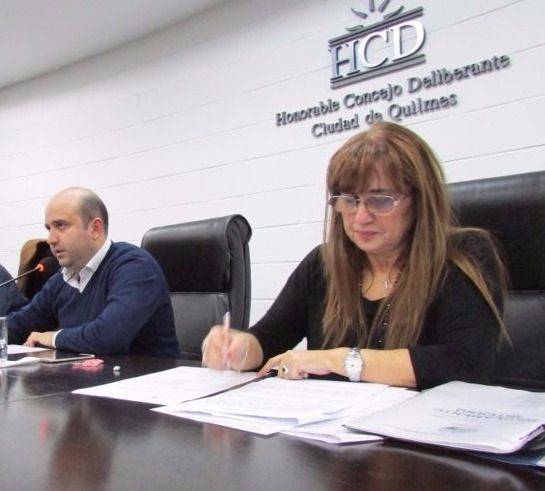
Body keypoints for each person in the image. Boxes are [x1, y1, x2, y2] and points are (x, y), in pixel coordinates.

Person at [202, 122, 506, 390]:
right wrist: (238, 348)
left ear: (420, 200)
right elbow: (268, 339)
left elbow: (465, 364)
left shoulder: (463, 255)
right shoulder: (322, 265)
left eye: (380, 200)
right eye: (348, 200)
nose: (361, 217)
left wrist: (338, 360)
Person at [0, 188, 180, 357]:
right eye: (48, 228)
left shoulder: (134, 267)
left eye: (61, 226)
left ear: (95, 229)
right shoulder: (64, 278)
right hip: (91, 388)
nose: (51, 239)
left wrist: (52, 337)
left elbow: (109, 336)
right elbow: (20, 324)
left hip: (147, 398)